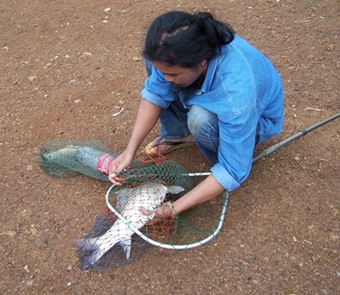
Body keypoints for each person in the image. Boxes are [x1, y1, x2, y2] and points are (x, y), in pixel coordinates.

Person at [108, 11, 284, 219]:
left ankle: (206, 137)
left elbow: (232, 171)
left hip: (253, 121)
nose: (165, 78)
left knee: (200, 120)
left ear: (201, 62)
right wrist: (130, 150)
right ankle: (180, 133)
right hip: (212, 91)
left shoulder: (237, 97)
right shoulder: (179, 52)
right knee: (160, 65)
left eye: (173, 74)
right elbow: (155, 93)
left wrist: (174, 208)